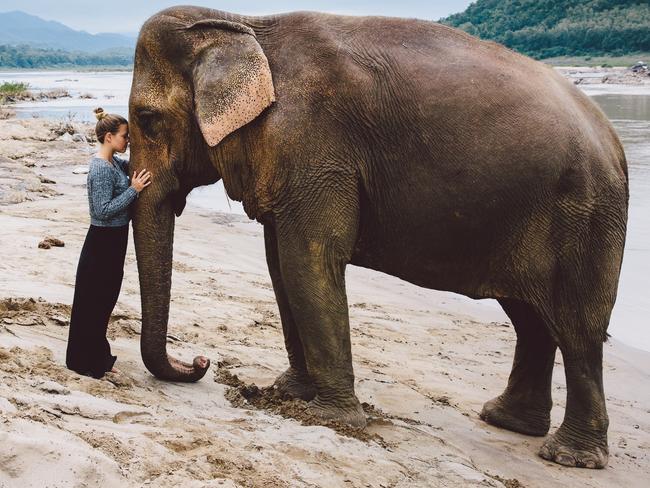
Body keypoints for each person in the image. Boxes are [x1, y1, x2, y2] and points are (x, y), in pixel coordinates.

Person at [66, 107, 151, 379]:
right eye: (125, 136)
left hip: (113, 242)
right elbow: (102, 210)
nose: (128, 141)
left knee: (103, 303)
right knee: (95, 303)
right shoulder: (101, 168)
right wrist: (133, 191)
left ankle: (98, 357)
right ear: (108, 137)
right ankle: (87, 361)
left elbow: (134, 165)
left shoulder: (115, 162)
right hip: (102, 243)